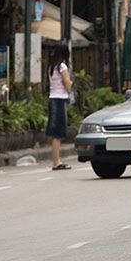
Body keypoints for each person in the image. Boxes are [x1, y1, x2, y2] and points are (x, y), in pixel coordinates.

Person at [46, 42, 72, 170]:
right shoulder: (62, 66)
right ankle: (56, 161)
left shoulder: (52, 66)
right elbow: (67, 83)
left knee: (54, 130)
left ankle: (56, 160)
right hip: (59, 99)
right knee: (58, 132)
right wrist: (71, 84)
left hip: (52, 98)